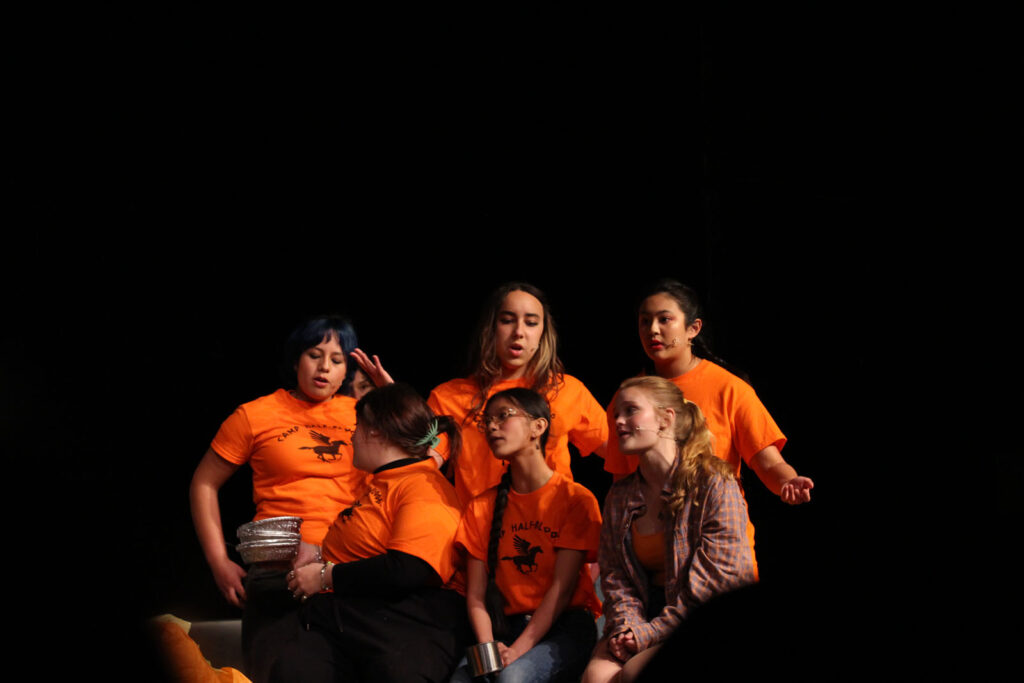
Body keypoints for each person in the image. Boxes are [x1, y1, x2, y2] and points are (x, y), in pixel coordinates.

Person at [189, 315, 391, 681]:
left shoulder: (363, 415)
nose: (324, 367)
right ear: (296, 358)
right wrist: (219, 560)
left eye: (337, 359)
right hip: (278, 568)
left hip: (347, 565)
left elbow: (426, 454)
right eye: (315, 354)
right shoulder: (256, 414)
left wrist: (389, 395)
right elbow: (204, 483)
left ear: (347, 369)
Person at [602, 279, 814, 571]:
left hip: (715, 546)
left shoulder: (729, 388)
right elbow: (621, 487)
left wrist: (788, 482)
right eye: (645, 321)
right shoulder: (626, 400)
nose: (653, 329)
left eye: (665, 319)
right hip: (654, 561)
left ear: (693, 329)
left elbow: (768, 462)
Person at [269, 383, 471, 683]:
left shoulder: (423, 486)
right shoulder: (384, 481)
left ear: (374, 430)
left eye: (356, 427)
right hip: (351, 616)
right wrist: (317, 553)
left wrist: (324, 576)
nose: (351, 437)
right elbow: (368, 543)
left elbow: (408, 569)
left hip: (408, 624)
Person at [582, 376, 756, 683]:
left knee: (636, 672)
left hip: (702, 619)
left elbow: (711, 591)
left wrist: (646, 634)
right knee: (597, 677)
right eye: (615, 415)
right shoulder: (620, 496)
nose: (619, 421)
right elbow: (615, 578)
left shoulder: (715, 484)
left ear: (666, 418)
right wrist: (626, 627)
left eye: (630, 411)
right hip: (643, 620)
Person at [450, 388, 602, 683]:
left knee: (512, 679)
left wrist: (517, 651)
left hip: (564, 626)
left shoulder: (575, 499)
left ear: (538, 426)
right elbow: (477, 596)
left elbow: (561, 590)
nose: (492, 426)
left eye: (503, 416)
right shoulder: (482, 506)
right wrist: (488, 647)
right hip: (504, 628)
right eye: (487, 422)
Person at [428, 282, 608, 505]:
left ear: (543, 332)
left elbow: (618, 453)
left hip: (553, 526)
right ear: (491, 327)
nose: (519, 332)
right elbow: (421, 462)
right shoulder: (449, 397)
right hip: (479, 532)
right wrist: (397, 409)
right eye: (507, 320)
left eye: (531, 323)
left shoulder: (566, 389)